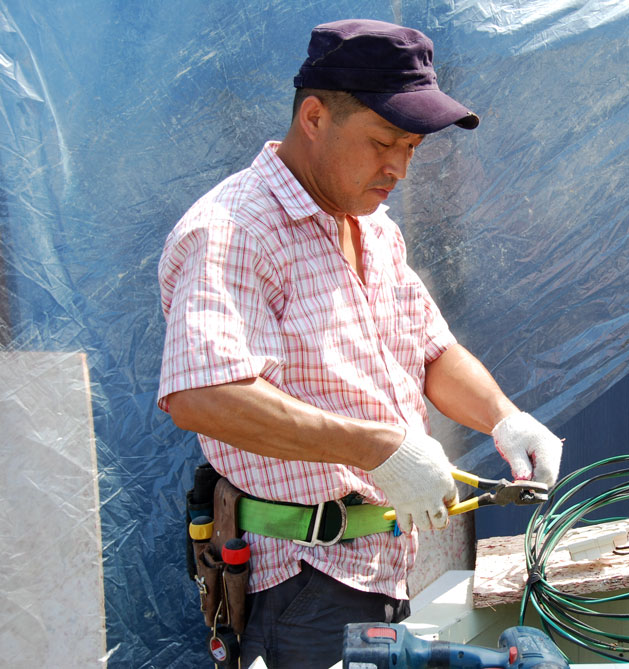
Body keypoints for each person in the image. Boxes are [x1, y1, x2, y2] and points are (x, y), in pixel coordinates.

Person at [157, 18, 562, 668]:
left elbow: (431, 351)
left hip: (378, 570)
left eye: (412, 148)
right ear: (314, 116)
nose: (399, 167)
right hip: (298, 583)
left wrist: (504, 416)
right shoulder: (234, 232)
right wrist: (379, 447)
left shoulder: (372, 230)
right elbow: (202, 396)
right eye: (383, 142)